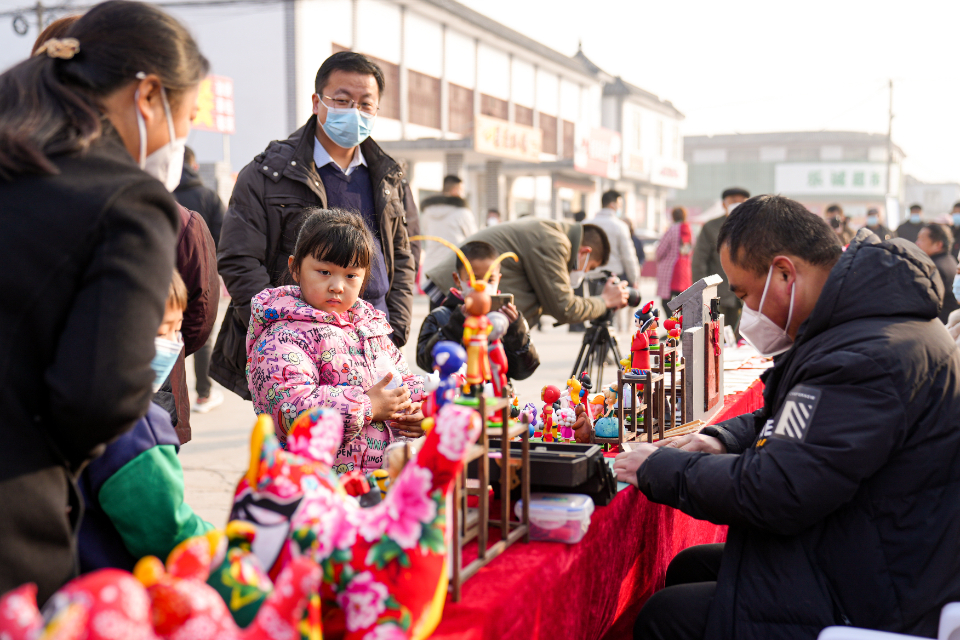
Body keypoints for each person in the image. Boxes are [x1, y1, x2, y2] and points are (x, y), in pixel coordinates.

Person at [613, 195, 960, 640]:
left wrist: (662, 467)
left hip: (881, 589)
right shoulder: (868, 324)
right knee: (689, 565)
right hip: (870, 540)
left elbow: (777, 490)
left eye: (744, 295)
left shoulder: (866, 355)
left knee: (665, 617)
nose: (748, 315)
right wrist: (719, 439)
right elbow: (806, 424)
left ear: (784, 273)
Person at [0, 0, 207, 602]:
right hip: (17, 519)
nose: (183, 138)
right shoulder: (127, 201)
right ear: (147, 97)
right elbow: (97, 397)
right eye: (186, 115)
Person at [213, 51, 420, 401]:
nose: (354, 111)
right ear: (317, 102)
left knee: (374, 444)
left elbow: (404, 253)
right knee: (306, 446)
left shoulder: (389, 176)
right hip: (300, 351)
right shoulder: (268, 174)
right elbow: (238, 258)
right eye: (342, 100)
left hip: (371, 342)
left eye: (365, 104)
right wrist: (278, 330)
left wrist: (395, 328)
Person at [246, 209, 424, 473]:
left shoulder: (370, 327)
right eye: (324, 272)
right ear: (295, 268)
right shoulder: (281, 337)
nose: (338, 286)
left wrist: (420, 410)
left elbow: (403, 381)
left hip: (381, 483)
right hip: (316, 489)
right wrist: (367, 406)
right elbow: (290, 409)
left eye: (351, 275)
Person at [78, 271, 214, 573]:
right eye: (161, 332)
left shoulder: (64, 390)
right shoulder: (136, 426)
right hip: (112, 591)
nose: (173, 343)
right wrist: (222, 545)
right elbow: (169, 533)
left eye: (176, 329)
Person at [424, 218, 629, 329]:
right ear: (585, 252)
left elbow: (551, 301)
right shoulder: (555, 242)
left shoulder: (552, 233)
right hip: (456, 294)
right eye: (590, 267)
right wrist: (605, 300)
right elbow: (564, 307)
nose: (584, 274)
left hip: (458, 292)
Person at [416, 240, 540, 380]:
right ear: (457, 279)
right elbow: (425, 361)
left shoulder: (506, 319)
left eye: (490, 280)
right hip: (453, 395)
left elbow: (524, 370)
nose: (482, 286)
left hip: (497, 395)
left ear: (498, 279)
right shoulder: (441, 317)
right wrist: (456, 324)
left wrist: (516, 331)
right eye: (474, 279)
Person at [173, 146, 225, 414]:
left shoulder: (163, 196)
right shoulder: (208, 196)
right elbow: (224, 237)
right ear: (193, 165)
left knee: (167, 337)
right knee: (201, 328)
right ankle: (203, 392)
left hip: (166, 284)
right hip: (201, 272)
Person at [692, 187, 750, 339]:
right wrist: (703, 292)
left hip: (747, 296)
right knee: (716, 339)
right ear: (724, 204)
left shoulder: (754, 228)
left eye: (741, 201)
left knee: (743, 340)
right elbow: (699, 261)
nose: (736, 204)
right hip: (718, 295)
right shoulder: (711, 227)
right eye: (732, 201)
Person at [419, 174, 477, 294]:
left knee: (435, 309)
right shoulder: (462, 212)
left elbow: (424, 232)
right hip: (453, 269)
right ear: (456, 191)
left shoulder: (427, 212)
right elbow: (474, 239)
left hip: (431, 269)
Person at [915, 223, 959, 323]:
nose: (917, 243)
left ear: (938, 245)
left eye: (921, 239)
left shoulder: (935, 268)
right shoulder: (949, 259)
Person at [656, 206, 693, 315]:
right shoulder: (690, 230)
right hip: (685, 269)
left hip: (670, 270)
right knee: (682, 300)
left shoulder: (672, 230)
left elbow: (660, 251)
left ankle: (672, 324)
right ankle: (681, 325)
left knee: (666, 301)